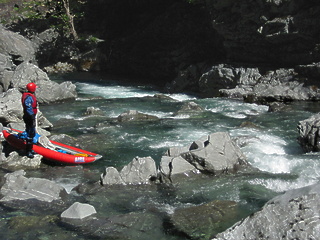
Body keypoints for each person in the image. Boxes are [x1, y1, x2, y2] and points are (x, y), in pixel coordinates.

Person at [21, 82, 38, 158]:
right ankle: (28, 151)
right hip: (29, 117)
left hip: (30, 116)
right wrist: (31, 116)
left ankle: (30, 149)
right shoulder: (29, 97)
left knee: (32, 132)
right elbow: (28, 107)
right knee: (30, 133)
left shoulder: (28, 96)